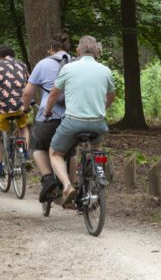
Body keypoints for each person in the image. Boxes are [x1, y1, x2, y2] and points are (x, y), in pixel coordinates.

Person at [44, 35, 115, 206]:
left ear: (77, 51)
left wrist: (47, 111)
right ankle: (97, 173)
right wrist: (101, 110)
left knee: (55, 153)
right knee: (96, 147)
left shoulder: (68, 69)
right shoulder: (105, 70)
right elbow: (111, 96)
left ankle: (68, 185)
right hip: (98, 123)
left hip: (73, 122)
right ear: (97, 52)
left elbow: (54, 93)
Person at [21, 33, 73, 202]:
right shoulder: (74, 62)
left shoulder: (43, 64)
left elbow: (28, 92)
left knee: (37, 146)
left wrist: (25, 107)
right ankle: (74, 185)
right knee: (71, 150)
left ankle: (48, 178)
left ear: (51, 49)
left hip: (50, 117)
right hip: (72, 117)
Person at [0, 45, 30, 178]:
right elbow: (29, 84)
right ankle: (25, 154)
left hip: (3, 107)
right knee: (23, 127)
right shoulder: (22, 65)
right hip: (21, 106)